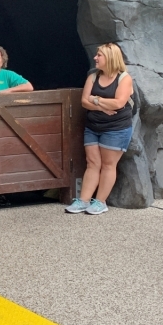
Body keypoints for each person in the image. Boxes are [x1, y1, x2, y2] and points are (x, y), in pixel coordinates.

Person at [65, 42, 134, 216]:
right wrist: (102, 105)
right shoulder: (93, 76)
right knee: (93, 163)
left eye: (99, 55)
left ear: (110, 58)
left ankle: (100, 202)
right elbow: (84, 101)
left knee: (108, 165)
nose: (95, 58)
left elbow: (119, 103)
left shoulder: (124, 78)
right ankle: (84, 200)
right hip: (93, 126)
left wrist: (95, 100)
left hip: (116, 128)